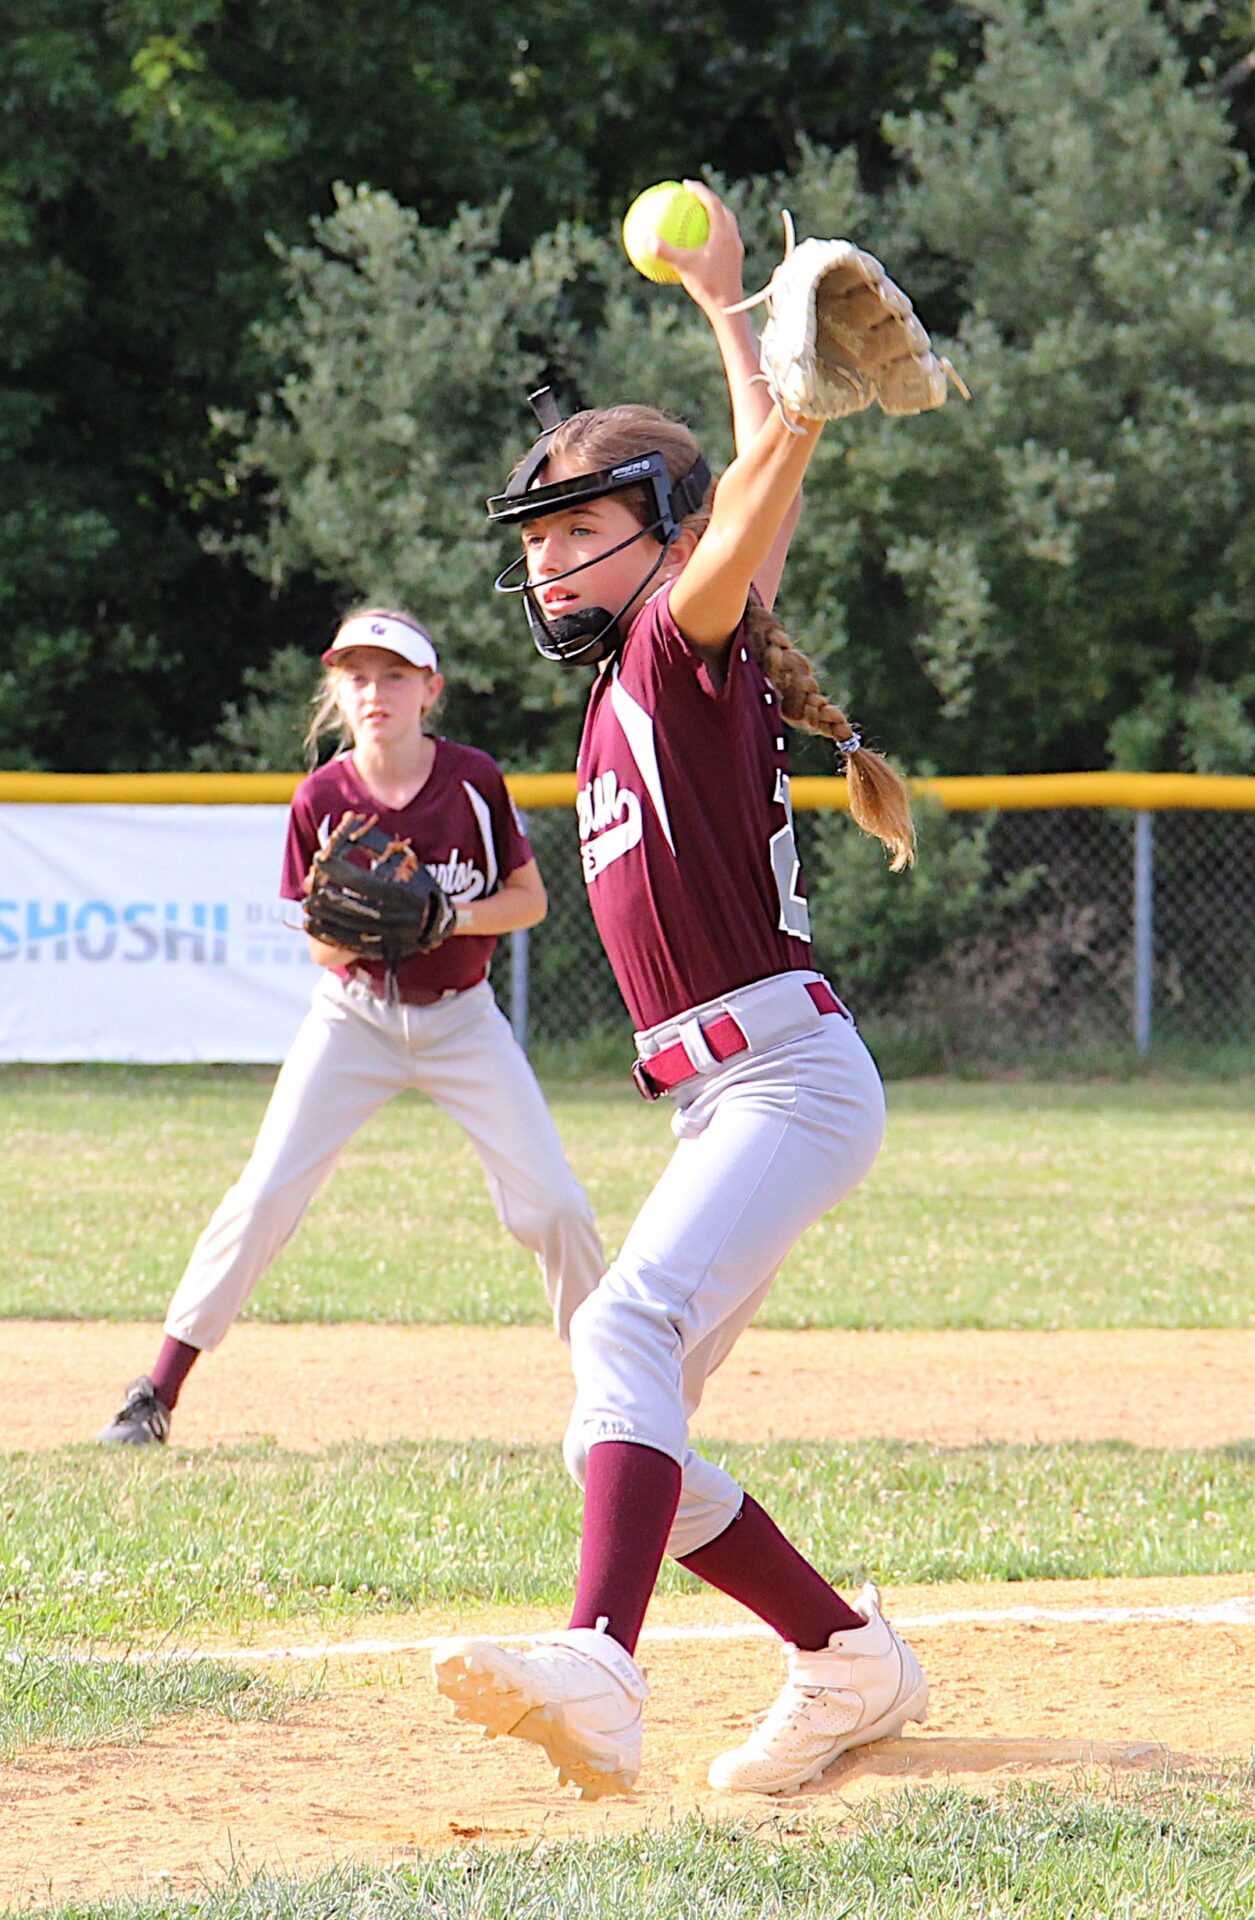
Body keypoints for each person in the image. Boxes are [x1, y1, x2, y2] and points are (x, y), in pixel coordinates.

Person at [429, 183, 938, 1799]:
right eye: (543, 539)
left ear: (659, 533)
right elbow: (742, 528)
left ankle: (602, 1661)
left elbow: (742, 523)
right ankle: (847, 1663)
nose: (554, 560)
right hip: (725, 1098)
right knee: (620, 1421)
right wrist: (729, 303)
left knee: (627, 1330)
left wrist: (790, 407)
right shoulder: (671, 659)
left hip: (785, 1083)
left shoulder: (673, 646)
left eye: (582, 529)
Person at [96, 609, 606, 1445]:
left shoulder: (473, 780)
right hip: (354, 1017)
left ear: (430, 691)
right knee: (264, 1195)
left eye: (396, 675)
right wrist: (377, 928)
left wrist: (447, 917)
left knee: (552, 1206)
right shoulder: (322, 798)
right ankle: (156, 1391)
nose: (377, 692)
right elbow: (319, 941)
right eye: (359, 676)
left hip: (461, 1021)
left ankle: (616, 1388)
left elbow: (531, 900)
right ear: (336, 691)